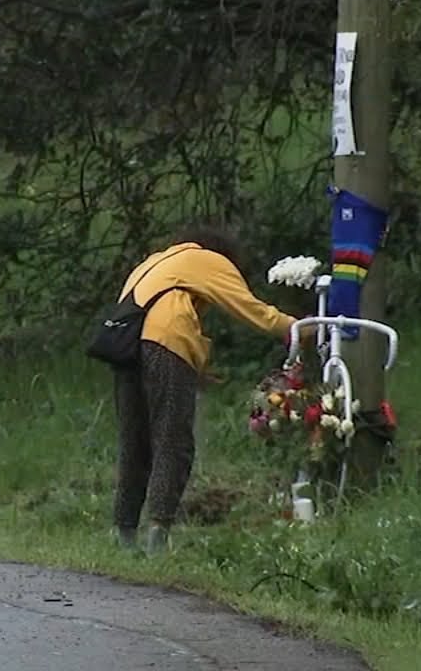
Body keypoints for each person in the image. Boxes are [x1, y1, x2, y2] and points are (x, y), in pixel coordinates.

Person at [110, 224, 312, 553]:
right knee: (172, 442)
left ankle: (124, 535)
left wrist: (195, 366)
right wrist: (297, 329)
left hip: (126, 348)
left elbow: (160, 313)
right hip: (165, 345)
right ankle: (158, 536)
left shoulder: (156, 262)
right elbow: (249, 309)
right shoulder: (206, 260)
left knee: (135, 442)